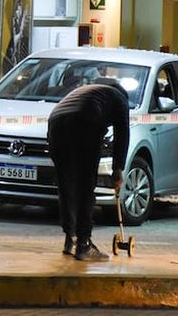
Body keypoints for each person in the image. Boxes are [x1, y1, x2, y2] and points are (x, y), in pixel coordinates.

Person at [47, 80, 129, 261]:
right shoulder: (119, 99)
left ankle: (71, 240)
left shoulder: (87, 92)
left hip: (55, 123)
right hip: (84, 119)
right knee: (85, 185)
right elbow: (122, 135)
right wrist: (118, 170)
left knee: (66, 185)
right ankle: (84, 244)